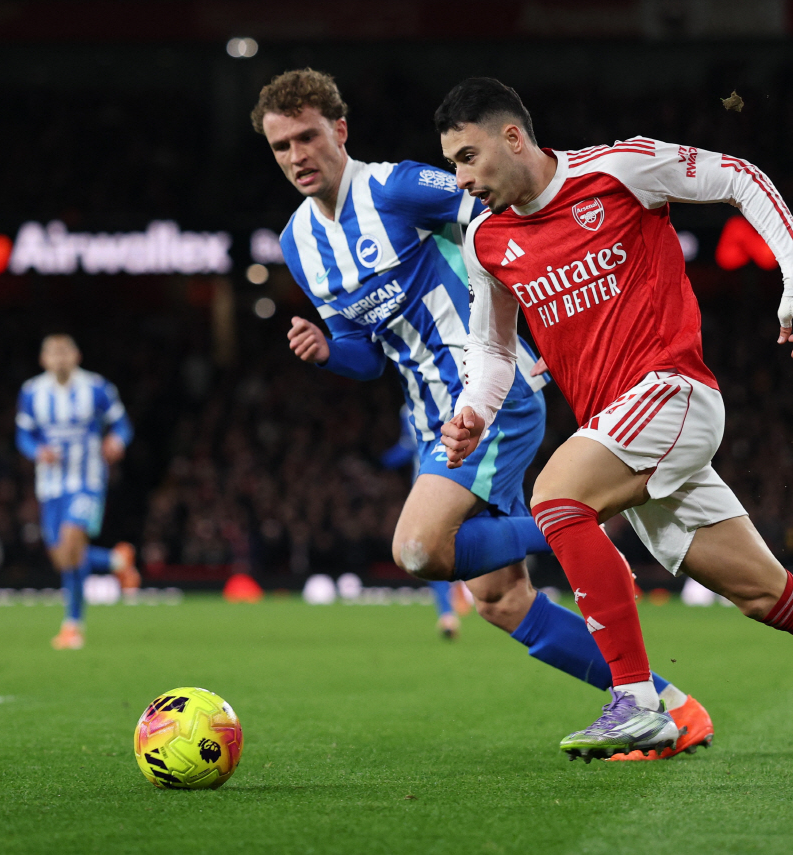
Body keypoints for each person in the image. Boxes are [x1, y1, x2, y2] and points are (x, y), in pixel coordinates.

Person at [436, 77, 793, 763]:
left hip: (670, 392)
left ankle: (638, 702)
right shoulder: (486, 239)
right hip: (620, 430)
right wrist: (473, 410)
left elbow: (739, 177)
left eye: (467, 157)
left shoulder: (617, 171)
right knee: (768, 595)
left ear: (512, 137)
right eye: (452, 164)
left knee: (556, 497)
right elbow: (494, 350)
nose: (460, 178)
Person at [252, 69, 711, 759]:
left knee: (418, 548)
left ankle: (574, 522)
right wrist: (326, 352)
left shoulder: (398, 188)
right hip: (429, 419)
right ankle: (671, 705)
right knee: (499, 601)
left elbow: (503, 219)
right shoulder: (297, 243)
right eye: (282, 146)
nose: (297, 156)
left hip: (485, 400)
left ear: (339, 131)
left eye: (308, 137)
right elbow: (364, 355)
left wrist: (536, 328)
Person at [15, 334, 140, 650]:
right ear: (43, 360)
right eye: (53, 353)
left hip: (87, 480)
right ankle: (116, 561)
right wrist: (37, 451)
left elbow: (122, 425)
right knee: (63, 557)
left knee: (72, 543)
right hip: (51, 485)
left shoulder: (97, 388)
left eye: (64, 352)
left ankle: (72, 625)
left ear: (77, 356)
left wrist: (116, 441)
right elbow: (23, 435)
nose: (59, 358)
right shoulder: (32, 392)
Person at [379, 405, 471, 639]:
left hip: (439, 486)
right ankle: (454, 598)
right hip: (444, 486)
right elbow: (409, 446)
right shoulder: (409, 409)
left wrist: (379, 461)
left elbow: (408, 448)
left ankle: (451, 604)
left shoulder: (428, 406)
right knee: (432, 549)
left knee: (426, 550)